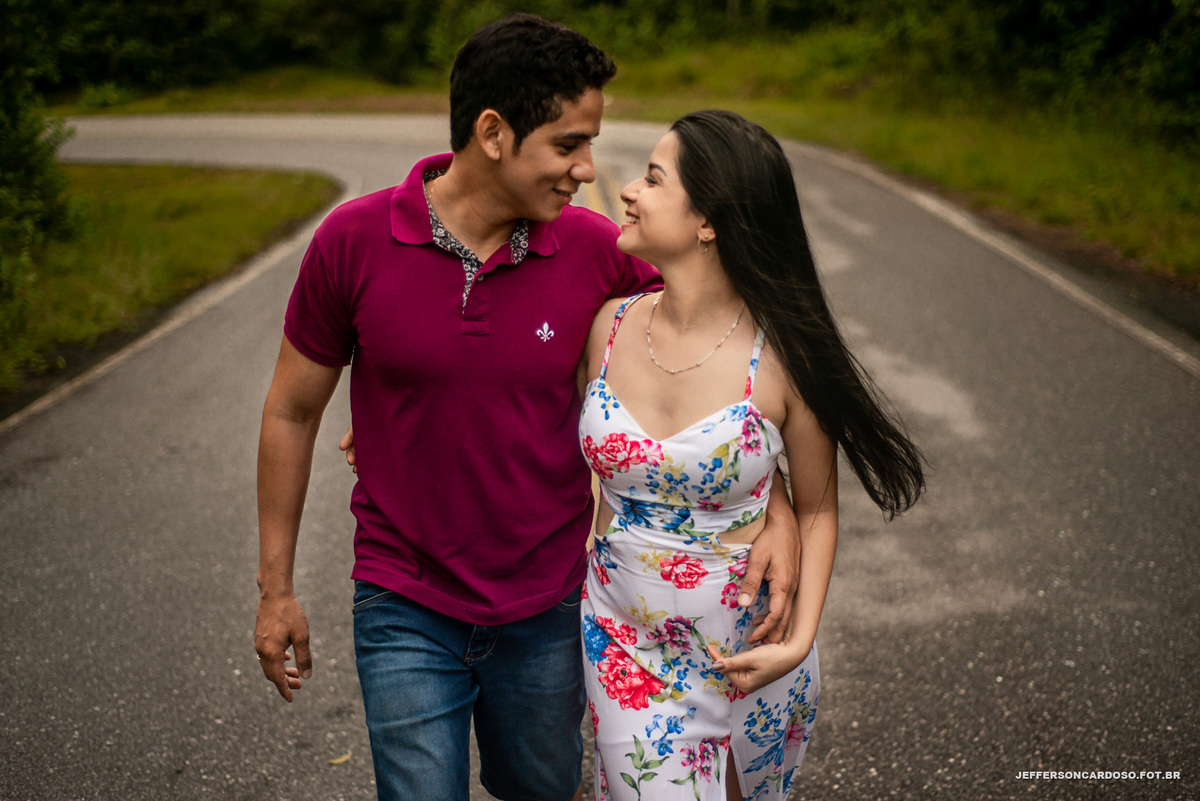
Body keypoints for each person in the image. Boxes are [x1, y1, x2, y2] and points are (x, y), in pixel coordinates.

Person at [254, 15, 803, 801]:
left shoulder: (595, 253)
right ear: (493, 133)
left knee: (542, 789)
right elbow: (289, 412)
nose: (588, 169)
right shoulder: (353, 241)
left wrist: (775, 501)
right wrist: (276, 589)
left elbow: (720, 375)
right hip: (402, 596)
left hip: (548, 601)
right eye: (569, 144)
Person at [576, 110, 925, 801]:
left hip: (749, 648)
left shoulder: (783, 359)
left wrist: (797, 642)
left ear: (708, 221)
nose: (628, 192)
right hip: (623, 638)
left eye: (652, 178)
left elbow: (820, 505)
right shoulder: (609, 326)